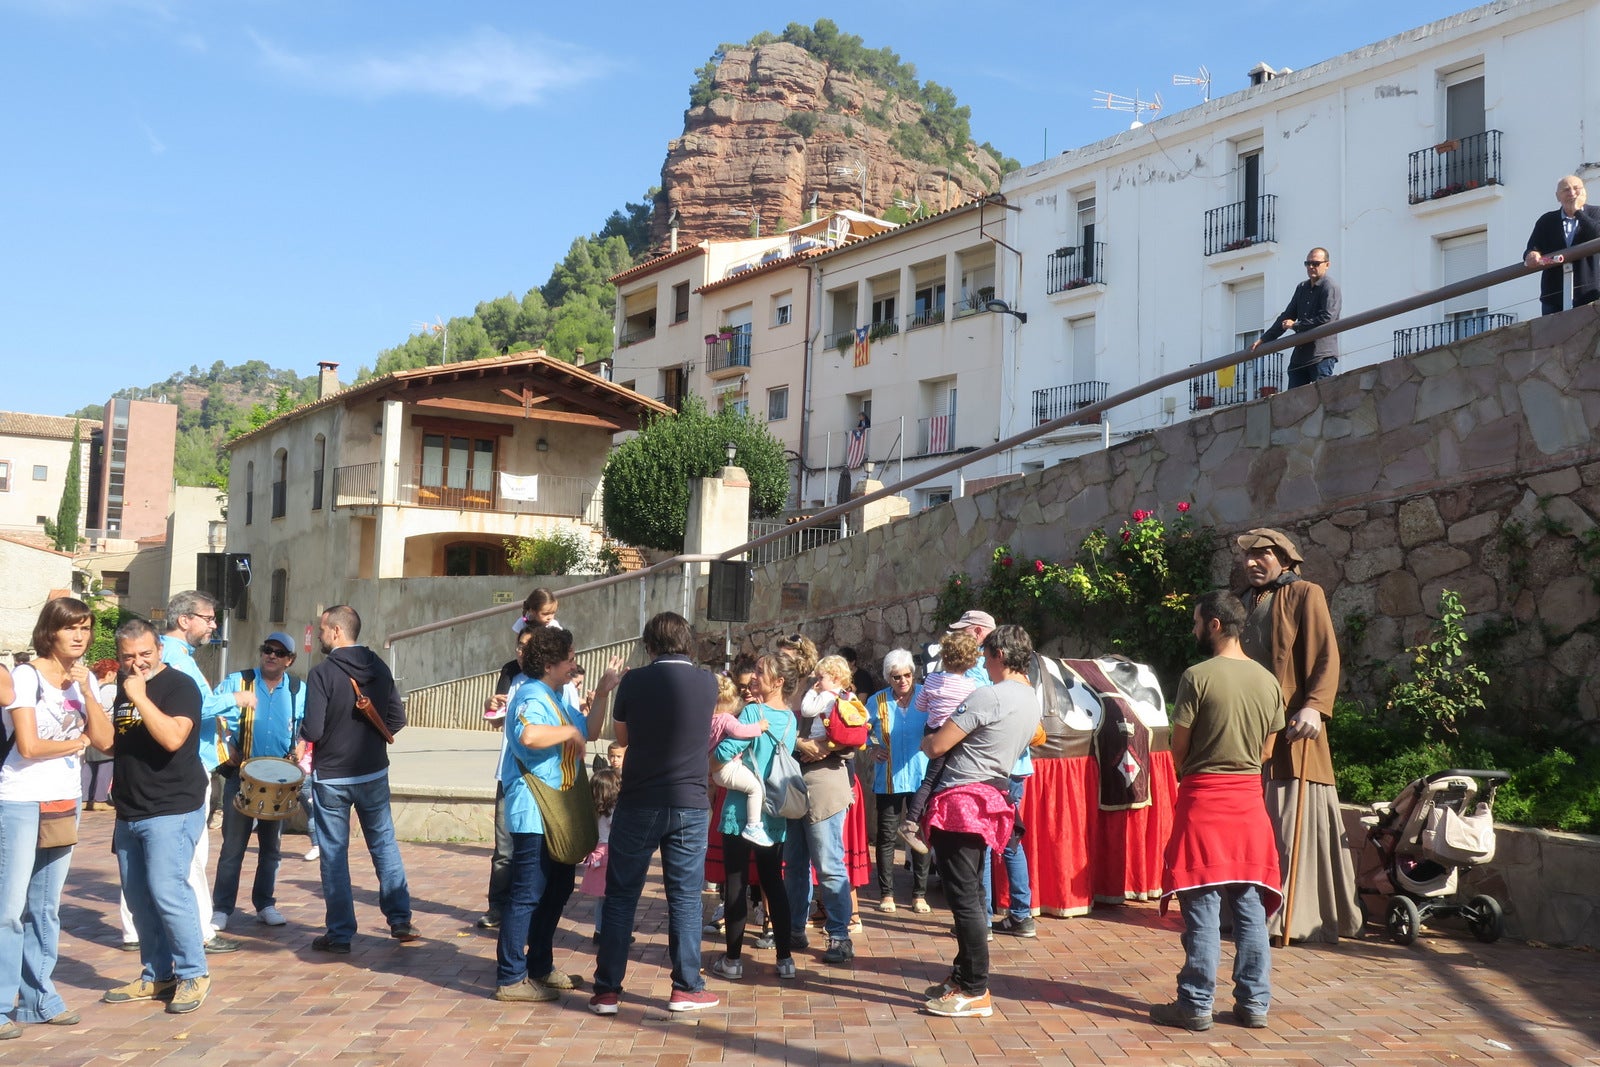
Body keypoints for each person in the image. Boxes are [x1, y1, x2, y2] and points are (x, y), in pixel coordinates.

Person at [1151, 591, 1285, 1031]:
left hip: (1204, 799)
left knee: (1203, 906)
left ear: (1213, 624)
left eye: (1195, 622)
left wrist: (1187, 772)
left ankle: (1195, 1004)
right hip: (1249, 801)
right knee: (1249, 907)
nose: (1193, 629)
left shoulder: (1197, 675)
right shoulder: (1268, 681)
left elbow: (1180, 744)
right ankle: (1254, 1004)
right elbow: (1268, 749)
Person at [1235, 528, 1363, 944]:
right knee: (1252, 826)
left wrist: (1315, 706)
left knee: (1288, 825)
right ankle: (1246, 911)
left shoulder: (1306, 593)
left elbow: (1327, 655)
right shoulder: (1244, 603)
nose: (1253, 563)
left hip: (1294, 732)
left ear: (1285, 560)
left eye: (1263, 555)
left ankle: (1292, 914)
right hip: (1249, 730)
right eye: (1248, 557)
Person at [590, 612, 720, 1015]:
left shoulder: (634, 681)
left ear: (650, 646)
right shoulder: (707, 681)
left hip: (640, 799)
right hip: (690, 801)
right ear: (687, 642)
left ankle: (607, 991)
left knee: (621, 896)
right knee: (683, 897)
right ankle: (686, 988)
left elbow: (622, 737)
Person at [920, 624, 1041, 1020]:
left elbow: (937, 744)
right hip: (992, 795)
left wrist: (928, 737)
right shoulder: (1030, 699)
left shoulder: (990, 695)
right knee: (968, 894)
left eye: (986, 656)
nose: (983, 664)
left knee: (965, 899)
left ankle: (975, 989)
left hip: (962, 798)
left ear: (1001, 655)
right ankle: (962, 976)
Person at [493, 625, 613, 1002]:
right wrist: (568, 736)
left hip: (556, 813)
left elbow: (589, 730)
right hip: (534, 811)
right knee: (528, 893)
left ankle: (540, 966)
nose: (574, 666)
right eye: (570, 659)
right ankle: (511, 977)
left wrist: (606, 691)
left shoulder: (556, 696)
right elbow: (529, 736)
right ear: (549, 664)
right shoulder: (530, 693)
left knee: (557, 889)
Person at [99, 617, 212, 1015]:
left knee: (168, 890)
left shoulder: (179, 686)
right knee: (138, 898)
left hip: (173, 806)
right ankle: (157, 975)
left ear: (159, 650)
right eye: (129, 657)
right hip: (130, 808)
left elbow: (171, 737)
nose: (138, 663)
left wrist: (140, 695)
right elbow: (112, 743)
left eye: (145, 654)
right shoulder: (123, 687)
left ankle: (193, 973)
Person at [1, 598, 99, 1037]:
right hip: (21, 800)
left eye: (86, 628)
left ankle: (39, 999)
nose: (80, 636)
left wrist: (90, 694)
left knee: (45, 908)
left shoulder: (85, 680)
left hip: (64, 799)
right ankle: (2, 1004)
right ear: (50, 632)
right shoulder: (26, 676)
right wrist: (75, 744)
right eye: (70, 628)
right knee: (8, 909)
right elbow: (29, 746)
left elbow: (107, 740)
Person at [301, 605, 414, 952]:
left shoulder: (322, 674)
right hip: (373, 770)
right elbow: (397, 716)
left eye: (322, 630)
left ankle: (340, 934)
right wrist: (374, 737)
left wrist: (305, 734)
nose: (319, 635)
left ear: (336, 631)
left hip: (332, 776)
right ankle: (400, 920)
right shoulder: (378, 665)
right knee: (384, 845)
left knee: (334, 854)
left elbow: (314, 729)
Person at [149, 591, 238, 954]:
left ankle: (142, 929)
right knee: (192, 852)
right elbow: (197, 705)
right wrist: (236, 699)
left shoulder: (175, 654)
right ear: (185, 620)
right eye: (208, 617)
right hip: (189, 764)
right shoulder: (175, 657)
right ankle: (200, 929)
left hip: (190, 760)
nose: (213, 625)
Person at [709, 654, 800, 983]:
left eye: (762, 672)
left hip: (738, 810)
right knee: (773, 883)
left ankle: (733, 961)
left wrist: (713, 760)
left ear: (778, 681)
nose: (754, 678)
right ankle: (785, 959)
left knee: (735, 882)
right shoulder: (790, 720)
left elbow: (723, 753)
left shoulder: (751, 712)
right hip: (773, 813)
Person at [210, 631, 305, 931]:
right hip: (243, 777)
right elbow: (215, 714)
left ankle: (265, 903)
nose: (271, 655)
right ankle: (222, 908)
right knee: (233, 847)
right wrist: (227, 746)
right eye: (267, 649)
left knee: (271, 849)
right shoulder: (238, 681)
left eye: (279, 652)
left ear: (289, 660)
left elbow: (306, 724)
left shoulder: (298, 688)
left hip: (279, 780)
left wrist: (301, 743)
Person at [779, 639, 857, 966]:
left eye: (789, 654)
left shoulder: (831, 692)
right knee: (794, 862)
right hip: (794, 780)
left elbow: (853, 736)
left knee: (828, 863)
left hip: (825, 782)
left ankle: (840, 934)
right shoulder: (786, 692)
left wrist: (827, 743)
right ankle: (795, 927)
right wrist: (801, 741)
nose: (783, 659)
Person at [898, 630, 980, 854]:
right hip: (954, 733)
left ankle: (922, 822)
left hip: (932, 729)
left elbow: (920, 707)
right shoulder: (971, 686)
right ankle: (911, 823)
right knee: (937, 780)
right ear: (971, 661)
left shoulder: (932, 680)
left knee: (930, 780)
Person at [866, 649, 931, 913]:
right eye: (896, 677)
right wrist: (870, 748)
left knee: (919, 835)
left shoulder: (926, 697)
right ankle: (887, 893)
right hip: (888, 778)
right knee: (886, 836)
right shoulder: (876, 701)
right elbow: (862, 730)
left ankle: (919, 894)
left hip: (921, 778)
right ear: (888, 678)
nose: (902, 681)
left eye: (906, 675)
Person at [478, 627, 535, 930]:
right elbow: (494, 723)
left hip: (540, 779)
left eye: (527, 647)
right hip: (508, 774)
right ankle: (497, 907)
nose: (521, 652)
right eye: (519, 646)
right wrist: (491, 707)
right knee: (504, 849)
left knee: (536, 848)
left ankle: (529, 908)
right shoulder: (511, 677)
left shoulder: (552, 681)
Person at [1252, 248, 1340, 389]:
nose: (1311, 267)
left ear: (1327, 265)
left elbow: (1327, 317)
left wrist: (1295, 326)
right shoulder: (1302, 287)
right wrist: (1264, 339)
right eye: (1308, 263)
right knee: (1293, 404)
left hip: (1321, 355)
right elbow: (1286, 316)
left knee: (1324, 401)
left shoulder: (1329, 286)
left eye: (1316, 263)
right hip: (1300, 357)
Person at [707, 674, 775, 847]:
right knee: (755, 788)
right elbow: (739, 731)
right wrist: (758, 727)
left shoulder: (709, 720)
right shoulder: (725, 718)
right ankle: (753, 825)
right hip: (727, 767)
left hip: (716, 769)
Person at [1523, 175, 1600, 315]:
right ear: (1558, 196)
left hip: (1588, 294)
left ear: (1584, 193)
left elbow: (1597, 234)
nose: (1572, 193)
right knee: (1553, 337)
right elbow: (1532, 248)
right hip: (1553, 297)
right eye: (1566, 190)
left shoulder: (1596, 213)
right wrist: (1532, 254)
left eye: (1576, 188)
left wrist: (1577, 212)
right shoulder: (1546, 220)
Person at [580, 767, 619, 943]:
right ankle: (612, 931)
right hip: (610, 853)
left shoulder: (592, 811)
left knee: (601, 899)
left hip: (596, 853)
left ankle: (599, 930)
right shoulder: (612, 811)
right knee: (613, 896)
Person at [84, 659, 119, 810]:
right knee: (106, 763)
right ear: (110, 673)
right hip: (105, 728)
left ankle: (85, 798)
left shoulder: (91, 687)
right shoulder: (112, 689)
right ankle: (100, 798)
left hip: (90, 729)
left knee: (89, 764)